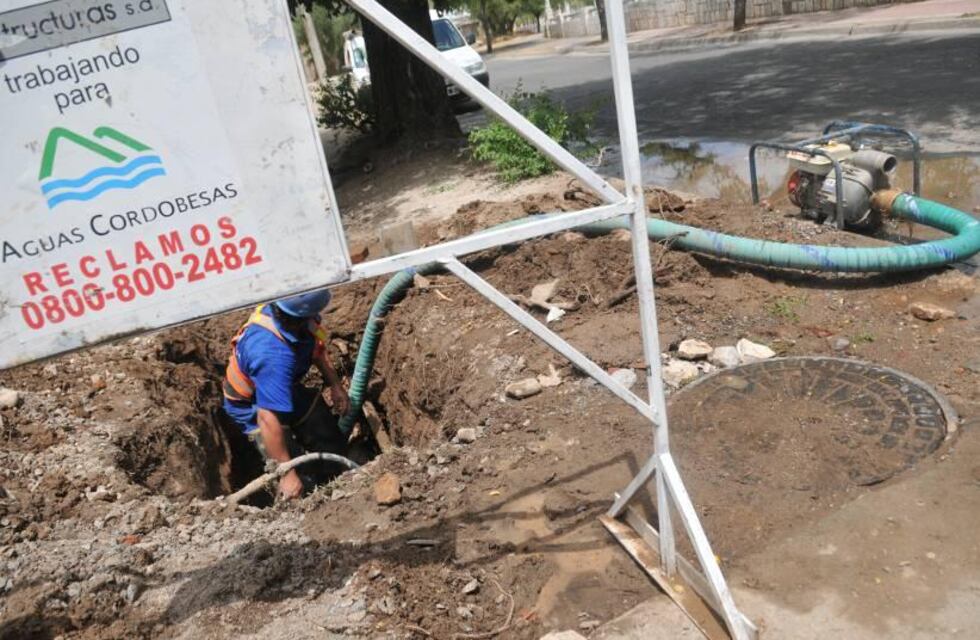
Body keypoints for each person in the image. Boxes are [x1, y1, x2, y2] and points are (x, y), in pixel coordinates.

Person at [222, 290, 350, 500]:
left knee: (328, 436)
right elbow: (266, 417)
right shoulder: (272, 355)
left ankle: (338, 479)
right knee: (297, 474)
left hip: (285, 387)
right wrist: (286, 473)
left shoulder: (292, 313)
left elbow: (316, 347)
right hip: (252, 407)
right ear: (300, 317)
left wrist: (335, 385)